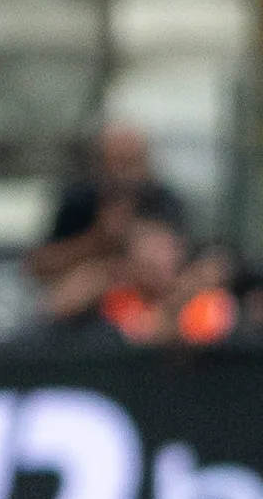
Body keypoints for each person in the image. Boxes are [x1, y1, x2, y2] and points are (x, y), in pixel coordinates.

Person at [32, 124, 235, 343]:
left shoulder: (165, 200)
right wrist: (98, 240)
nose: (124, 174)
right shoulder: (80, 200)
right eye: (117, 162)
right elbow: (41, 271)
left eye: (133, 161)